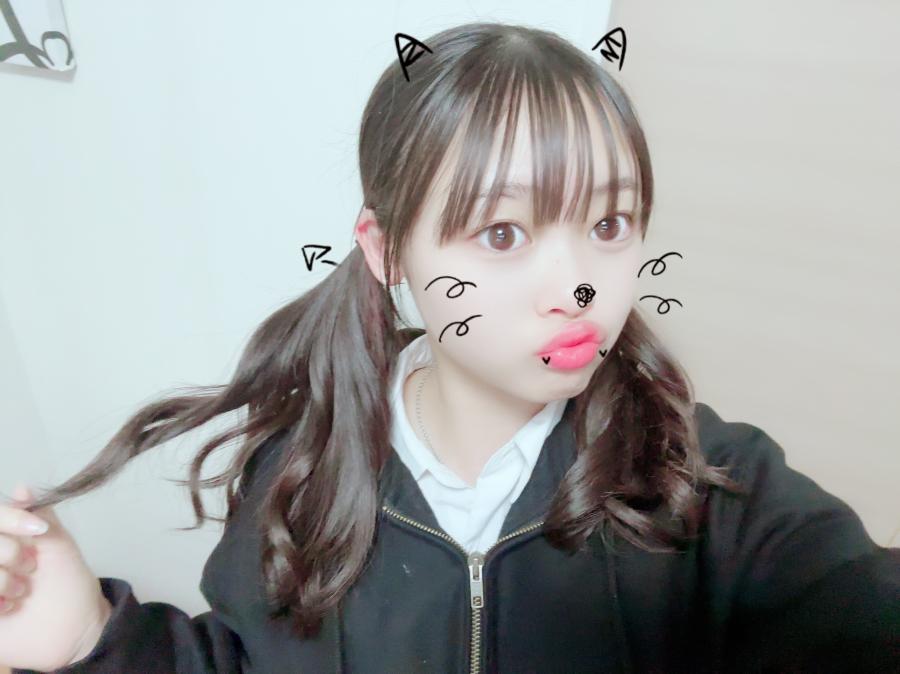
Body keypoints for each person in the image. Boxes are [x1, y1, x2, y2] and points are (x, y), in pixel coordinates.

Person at [1, 20, 897, 674]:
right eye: (502, 234)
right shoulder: (298, 474)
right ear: (387, 249)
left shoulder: (710, 491)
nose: (579, 287)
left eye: (609, 224)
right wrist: (89, 638)